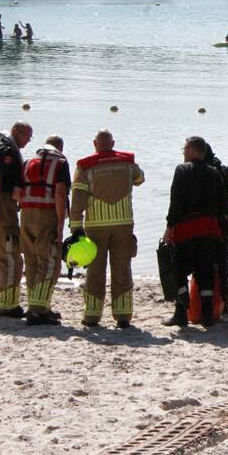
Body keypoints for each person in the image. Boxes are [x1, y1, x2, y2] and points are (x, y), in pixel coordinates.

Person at [68, 129, 144, 328]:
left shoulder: (85, 166)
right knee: (122, 269)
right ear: (113, 142)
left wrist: (75, 226)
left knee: (95, 271)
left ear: (95, 144)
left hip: (95, 226)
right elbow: (140, 179)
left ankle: (92, 316)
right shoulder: (128, 162)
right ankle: (123, 316)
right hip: (123, 224)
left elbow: (77, 198)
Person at [162, 137, 228, 328]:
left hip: (186, 229)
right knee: (205, 271)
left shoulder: (182, 170)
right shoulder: (215, 173)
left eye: (184, 148)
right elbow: (222, 205)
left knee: (180, 270)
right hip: (209, 230)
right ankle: (207, 315)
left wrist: (169, 227)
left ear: (191, 150)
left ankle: (181, 313)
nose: (183, 152)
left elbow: (176, 201)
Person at [19, 135, 70, 326]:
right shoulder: (60, 163)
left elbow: (18, 191)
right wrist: (60, 224)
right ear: (60, 147)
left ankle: (38, 305)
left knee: (31, 261)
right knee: (49, 262)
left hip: (26, 214)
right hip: (47, 214)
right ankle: (38, 310)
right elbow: (60, 192)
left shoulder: (27, 162)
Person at [0, 121, 32, 316]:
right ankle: (8, 304)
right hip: (1, 204)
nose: (28, 141)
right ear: (16, 132)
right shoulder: (7, 151)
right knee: (10, 254)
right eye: (26, 137)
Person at [203, 141, 228, 321]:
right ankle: (226, 307)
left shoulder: (205, 172)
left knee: (207, 264)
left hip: (210, 224)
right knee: (224, 264)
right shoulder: (224, 171)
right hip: (225, 224)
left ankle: (210, 306)